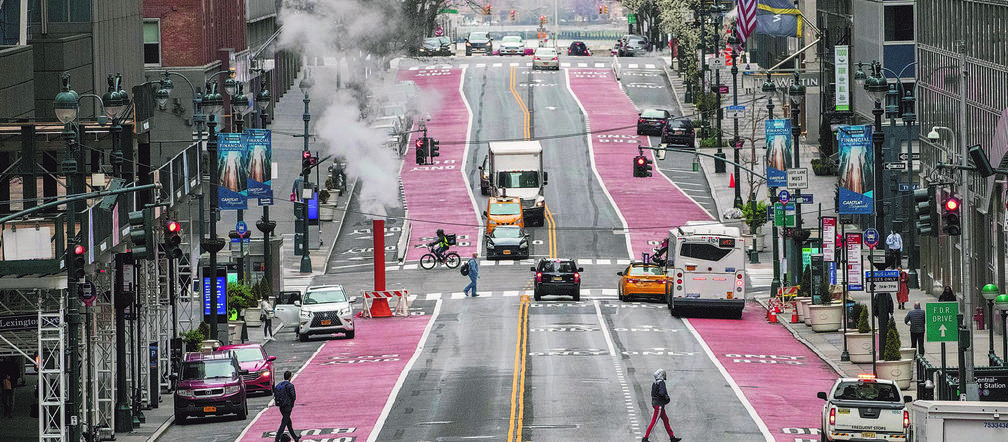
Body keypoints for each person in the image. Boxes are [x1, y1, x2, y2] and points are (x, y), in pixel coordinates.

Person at [642, 368, 681, 442]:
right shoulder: (661, 383)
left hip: (658, 405)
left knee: (666, 420)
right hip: (659, 406)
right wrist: (666, 397)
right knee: (653, 422)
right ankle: (645, 438)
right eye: (663, 374)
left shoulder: (655, 383)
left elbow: (653, 394)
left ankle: (672, 437)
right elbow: (662, 393)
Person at [273, 370, 300, 442]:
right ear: (290, 377)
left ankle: (295, 437)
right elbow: (293, 396)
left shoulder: (279, 385)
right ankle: (277, 438)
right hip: (287, 406)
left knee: (288, 422)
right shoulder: (290, 386)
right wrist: (291, 404)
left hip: (281, 406)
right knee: (284, 423)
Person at [873, 291, 894, 359]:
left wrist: (875, 313)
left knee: (882, 326)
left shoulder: (877, 295)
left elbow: (875, 305)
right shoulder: (888, 294)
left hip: (880, 314)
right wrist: (891, 311)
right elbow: (891, 303)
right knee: (886, 326)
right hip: (885, 313)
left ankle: (884, 338)